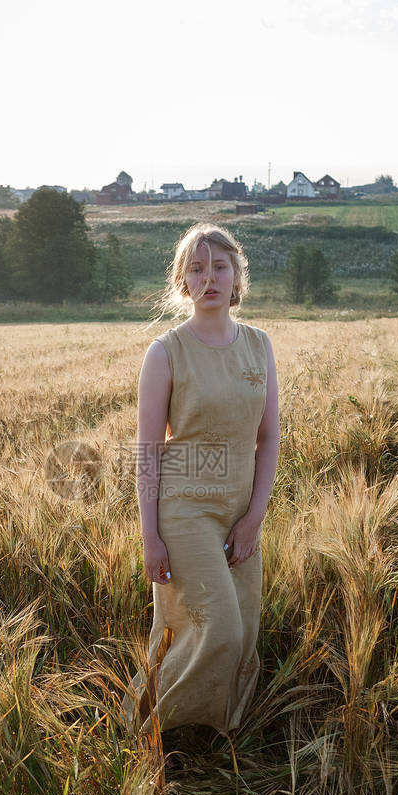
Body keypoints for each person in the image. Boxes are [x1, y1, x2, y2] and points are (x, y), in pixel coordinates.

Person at [121, 222, 280, 747]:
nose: (208, 277)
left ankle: (217, 733)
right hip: (184, 508)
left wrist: (254, 517)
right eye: (196, 267)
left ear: (236, 276)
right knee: (220, 629)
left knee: (244, 630)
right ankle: (153, 730)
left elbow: (268, 438)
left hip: (239, 510)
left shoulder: (260, 346)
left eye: (218, 266)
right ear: (181, 281)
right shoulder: (165, 352)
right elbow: (146, 452)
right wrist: (150, 537)